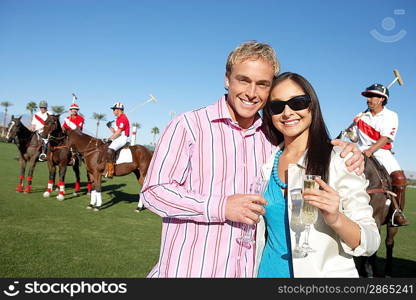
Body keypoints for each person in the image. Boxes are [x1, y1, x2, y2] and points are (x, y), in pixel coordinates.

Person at [140, 41, 364, 278]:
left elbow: (304, 142)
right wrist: (221, 206)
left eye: (262, 84)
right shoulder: (188, 126)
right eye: (243, 80)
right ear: (227, 79)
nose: (251, 93)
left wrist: (348, 150)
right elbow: (153, 193)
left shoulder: (272, 137)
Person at [255, 72, 380, 277]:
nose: (287, 112)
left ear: (311, 105)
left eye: (298, 102)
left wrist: (336, 218)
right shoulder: (266, 161)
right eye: (277, 106)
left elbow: (371, 242)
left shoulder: (340, 159)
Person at [347, 84, 408, 226]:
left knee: (399, 178)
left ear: (381, 99)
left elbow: (385, 138)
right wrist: (350, 131)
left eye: (372, 96)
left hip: (381, 152)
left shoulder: (391, 115)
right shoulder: (360, 117)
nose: (369, 99)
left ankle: (396, 212)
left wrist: (370, 150)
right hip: (360, 151)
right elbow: (355, 139)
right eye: (368, 96)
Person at [105, 102, 130, 178]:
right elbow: (115, 132)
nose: (113, 111)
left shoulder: (123, 118)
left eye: (114, 109)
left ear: (119, 110)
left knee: (110, 150)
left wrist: (109, 138)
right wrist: (110, 127)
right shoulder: (118, 119)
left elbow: (118, 133)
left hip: (123, 138)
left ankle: (111, 171)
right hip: (118, 137)